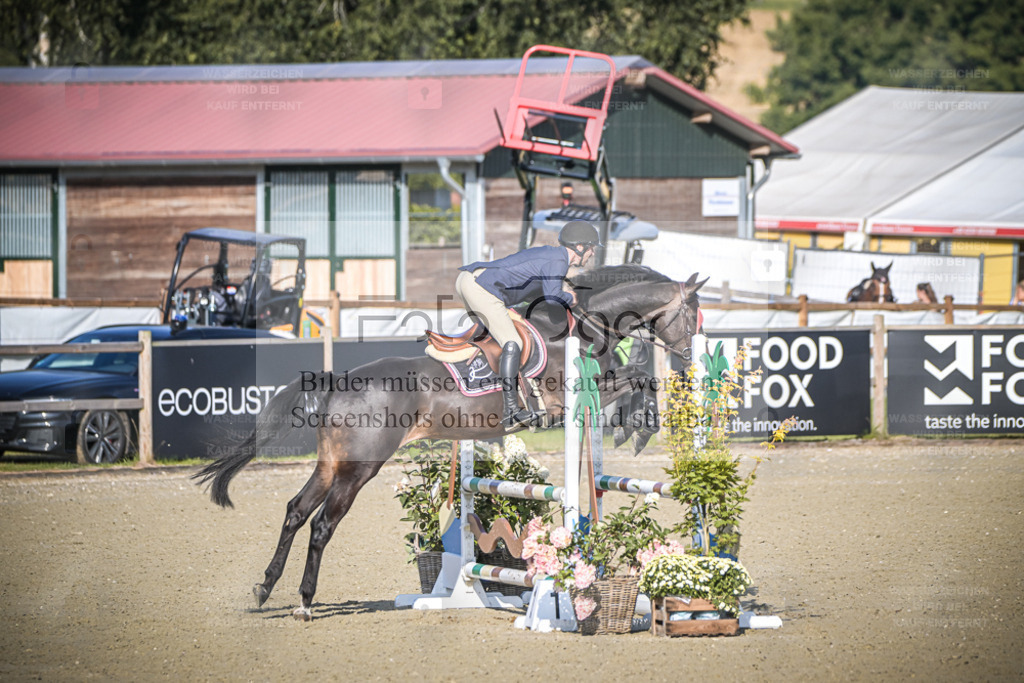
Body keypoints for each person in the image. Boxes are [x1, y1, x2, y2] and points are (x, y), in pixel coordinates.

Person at [455, 220, 601, 429]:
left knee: (492, 343)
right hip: (481, 287)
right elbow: (552, 298)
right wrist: (571, 298)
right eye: (591, 248)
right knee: (513, 342)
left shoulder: (552, 257)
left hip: (469, 280)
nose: (592, 254)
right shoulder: (558, 261)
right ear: (580, 247)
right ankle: (511, 412)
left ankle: (484, 396)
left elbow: (539, 295)